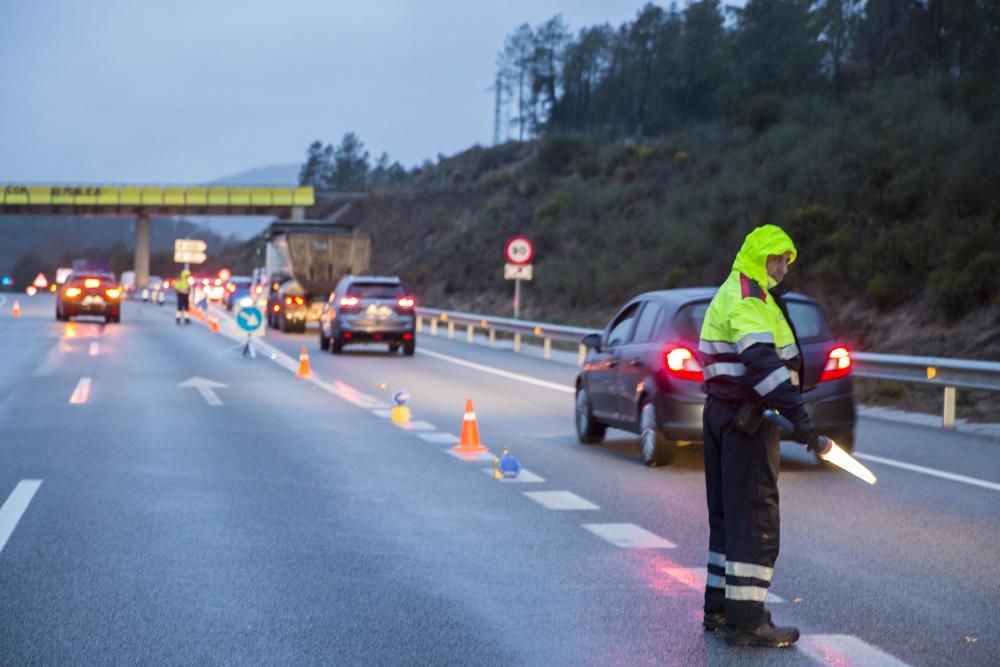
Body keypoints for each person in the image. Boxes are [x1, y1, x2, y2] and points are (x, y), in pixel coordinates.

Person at [697, 224, 824, 648]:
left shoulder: (739, 291)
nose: (784, 268)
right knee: (755, 520)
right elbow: (764, 365)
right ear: (761, 258)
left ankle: (720, 610)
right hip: (746, 420)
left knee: (728, 521)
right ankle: (748, 623)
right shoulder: (749, 298)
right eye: (778, 259)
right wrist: (801, 421)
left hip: (723, 415)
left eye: (788, 261)